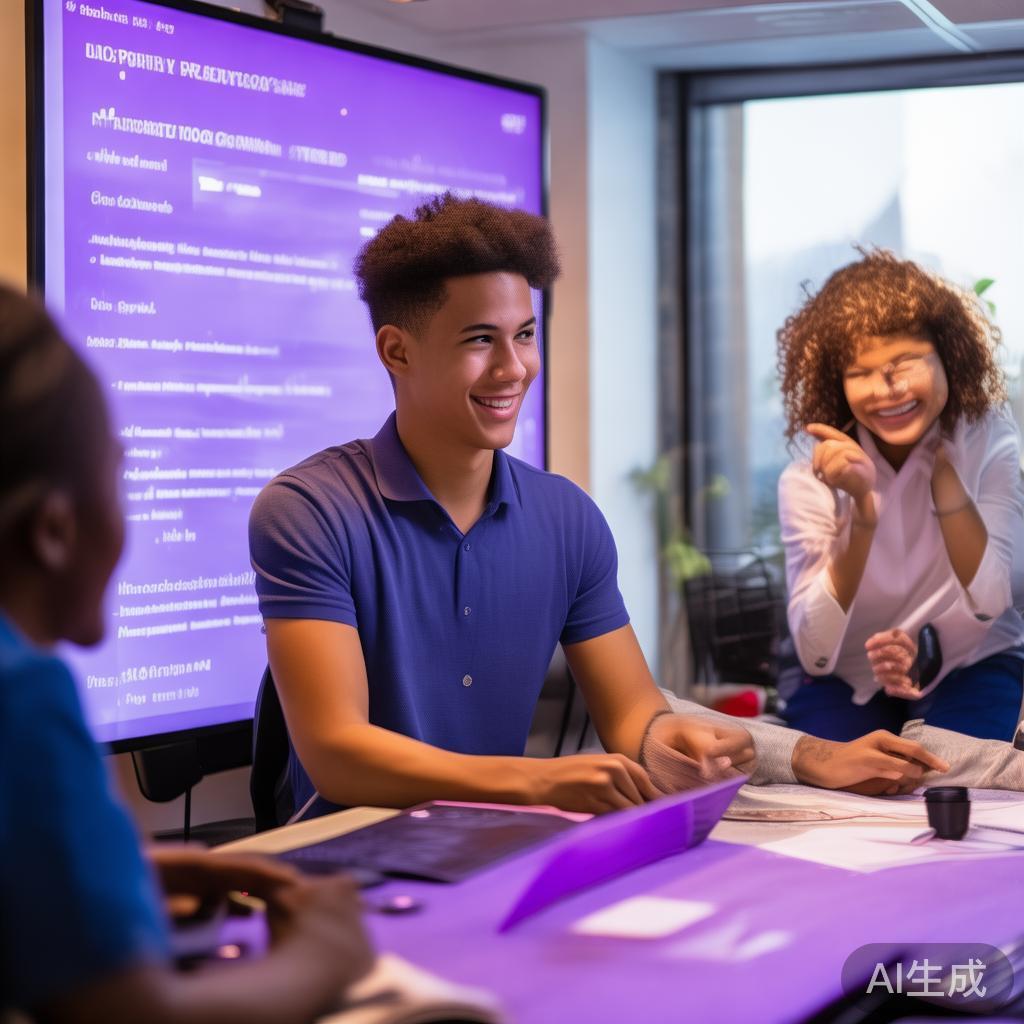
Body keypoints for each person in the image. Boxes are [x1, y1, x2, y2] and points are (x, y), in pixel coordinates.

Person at [249, 197, 947, 823]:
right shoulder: (310, 511)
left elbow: (634, 715)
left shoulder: (566, 518)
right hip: (342, 869)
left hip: (491, 847)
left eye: (524, 335)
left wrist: (678, 744)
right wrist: (536, 782)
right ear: (396, 351)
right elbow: (337, 754)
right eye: (479, 340)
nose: (514, 368)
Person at [0, 285, 373, 1022]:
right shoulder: (22, 697)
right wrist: (326, 956)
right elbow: (135, 1015)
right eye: (120, 475)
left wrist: (114, 872)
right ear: (53, 530)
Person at [777, 250, 1024, 742]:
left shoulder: (988, 437)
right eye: (859, 372)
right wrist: (863, 512)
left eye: (904, 362)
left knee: (961, 774)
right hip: (848, 676)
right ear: (837, 381)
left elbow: (994, 599)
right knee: (854, 784)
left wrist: (947, 480)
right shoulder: (811, 472)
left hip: (971, 659)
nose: (884, 390)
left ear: (947, 357)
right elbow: (816, 650)